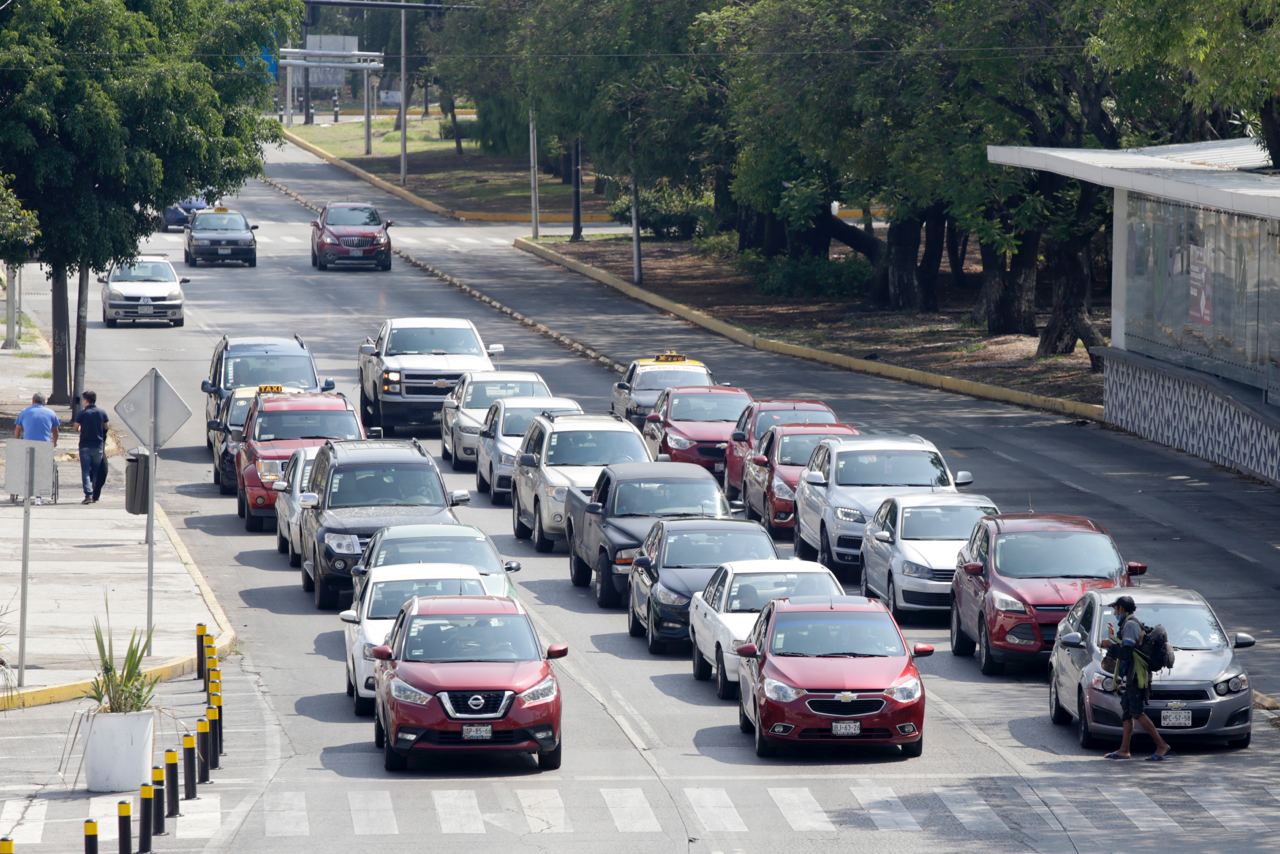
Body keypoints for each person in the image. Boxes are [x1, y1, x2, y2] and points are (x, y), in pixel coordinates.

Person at [1100, 595, 1172, 761]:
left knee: (1137, 712)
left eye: (1115, 609)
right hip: (1132, 675)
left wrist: (1110, 645)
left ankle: (1161, 745)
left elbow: (1126, 653)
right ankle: (1124, 750)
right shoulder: (1128, 624)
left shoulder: (1131, 624)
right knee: (1127, 711)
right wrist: (1113, 639)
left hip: (1136, 675)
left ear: (1122, 609)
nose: (1114, 612)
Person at [73, 390, 109, 504]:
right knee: (96, 470)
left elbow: (75, 428)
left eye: (83, 399)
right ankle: (94, 494)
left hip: (84, 446)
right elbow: (106, 427)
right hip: (98, 446)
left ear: (86, 400)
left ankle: (88, 495)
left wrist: (83, 429)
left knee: (85, 471)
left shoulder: (82, 414)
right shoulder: (102, 413)